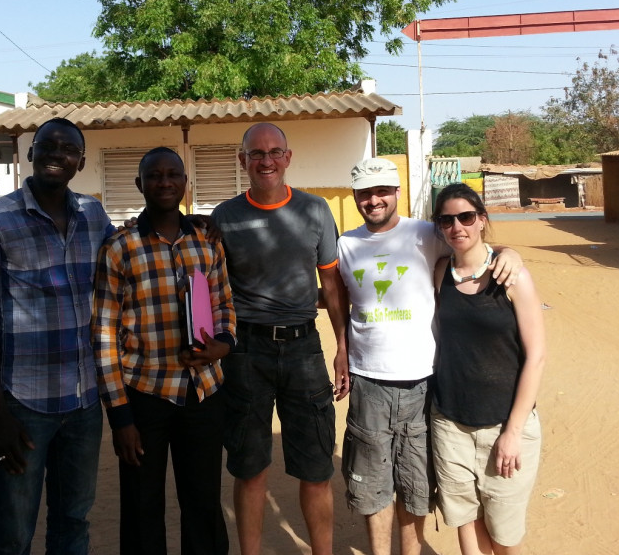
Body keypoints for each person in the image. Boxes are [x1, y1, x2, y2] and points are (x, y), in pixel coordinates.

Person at [335, 160, 521, 555]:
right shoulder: (345, 245)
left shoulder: (426, 233)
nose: (374, 199)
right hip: (368, 379)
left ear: (397, 191)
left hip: (422, 381)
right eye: (366, 192)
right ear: (354, 197)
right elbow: (337, 300)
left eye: (382, 190)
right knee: (372, 483)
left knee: (415, 483)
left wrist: (511, 252)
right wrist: (340, 352)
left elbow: (473, 243)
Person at [0, 118, 115, 555]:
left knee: (73, 521)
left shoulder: (93, 214)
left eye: (68, 148)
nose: (56, 153)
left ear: (80, 162)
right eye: (46, 145)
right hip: (24, 406)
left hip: (85, 402)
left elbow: (127, 255)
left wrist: (197, 227)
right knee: (12, 533)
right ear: (30, 153)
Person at [211, 122, 348, 555]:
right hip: (245, 352)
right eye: (256, 153)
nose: (266, 160)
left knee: (316, 467)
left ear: (288, 158)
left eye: (274, 152)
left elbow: (332, 286)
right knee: (249, 468)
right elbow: (210, 286)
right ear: (243, 160)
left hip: (304, 348)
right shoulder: (225, 217)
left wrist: (343, 345)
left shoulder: (316, 211)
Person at [93, 147, 236, 555]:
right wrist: (120, 416)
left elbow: (225, 304)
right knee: (141, 506)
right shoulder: (119, 248)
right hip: (145, 398)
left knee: (204, 503)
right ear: (140, 184)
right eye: (154, 176)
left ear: (185, 183)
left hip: (204, 393)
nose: (165, 182)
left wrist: (220, 346)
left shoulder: (207, 242)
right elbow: (104, 334)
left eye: (174, 174)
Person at [430, 183, 545, 555]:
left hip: (504, 425)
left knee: (504, 535)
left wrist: (512, 433)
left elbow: (536, 356)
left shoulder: (512, 277)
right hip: (450, 423)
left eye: (465, 217)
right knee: (466, 518)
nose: (456, 227)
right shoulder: (440, 272)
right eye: (446, 220)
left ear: (481, 220)